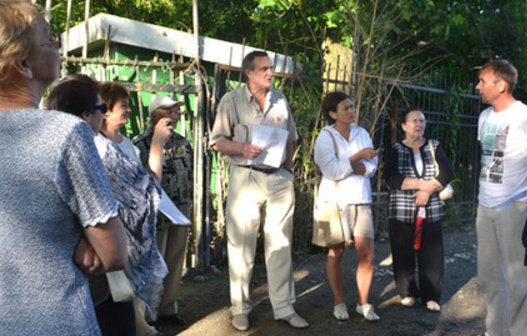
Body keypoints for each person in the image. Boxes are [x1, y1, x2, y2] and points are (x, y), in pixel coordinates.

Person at [0, 1, 127, 335]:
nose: (58, 46)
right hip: (57, 321)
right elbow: (114, 252)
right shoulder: (65, 133)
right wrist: (86, 235)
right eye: (49, 39)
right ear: (24, 64)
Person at [46, 75, 174, 336]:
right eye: (102, 108)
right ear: (85, 115)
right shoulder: (96, 149)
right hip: (101, 270)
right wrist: (158, 145)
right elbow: (146, 192)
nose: (105, 114)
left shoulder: (48, 146)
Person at [209, 50, 308, 331]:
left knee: (280, 245)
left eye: (271, 68)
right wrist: (242, 148)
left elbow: (291, 137)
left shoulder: (280, 100)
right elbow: (217, 141)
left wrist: (289, 170)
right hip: (246, 178)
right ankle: (240, 309)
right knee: (242, 247)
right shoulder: (231, 100)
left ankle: (284, 307)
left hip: (278, 179)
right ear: (248, 73)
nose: (270, 73)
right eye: (264, 69)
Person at [475, 59, 527, 336]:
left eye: (483, 81)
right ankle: (495, 331)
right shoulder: (484, 117)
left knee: (518, 278)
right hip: (485, 205)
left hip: (515, 206)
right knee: (489, 277)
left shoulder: (525, 116)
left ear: (501, 85)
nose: (478, 86)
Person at [313, 91, 380, 321]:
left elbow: (373, 165)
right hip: (336, 201)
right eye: (346, 108)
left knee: (367, 255)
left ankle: (364, 302)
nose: (352, 111)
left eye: (352, 107)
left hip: (361, 198)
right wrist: (357, 159)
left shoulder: (362, 133)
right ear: (332, 113)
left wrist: (362, 165)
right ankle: (339, 301)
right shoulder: (325, 137)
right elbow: (331, 171)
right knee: (336, 252)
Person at [383, 108, 453, 312]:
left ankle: (431, 295)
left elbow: (447, 172)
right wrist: (424, 185)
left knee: (432, 253)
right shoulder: (395, 149)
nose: (419, 124)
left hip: (430, 207)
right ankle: (407, 292)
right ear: (404, 125)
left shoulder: (435, 146)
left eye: (422, 120)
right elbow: (391, 178)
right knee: (402, 250)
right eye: (414, 121)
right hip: (402, 208)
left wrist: (427, 190)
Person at [133, 94, 193, 328]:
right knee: (154, 265)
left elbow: (189, 175)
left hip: (180, 210)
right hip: (155, 215)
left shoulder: (182, 143)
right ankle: (150, 314)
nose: (174, 117)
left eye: (176, 112)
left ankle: (169, 307)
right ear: (155, 116)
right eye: (169, 112)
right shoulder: (141, 144)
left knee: (176, 260)